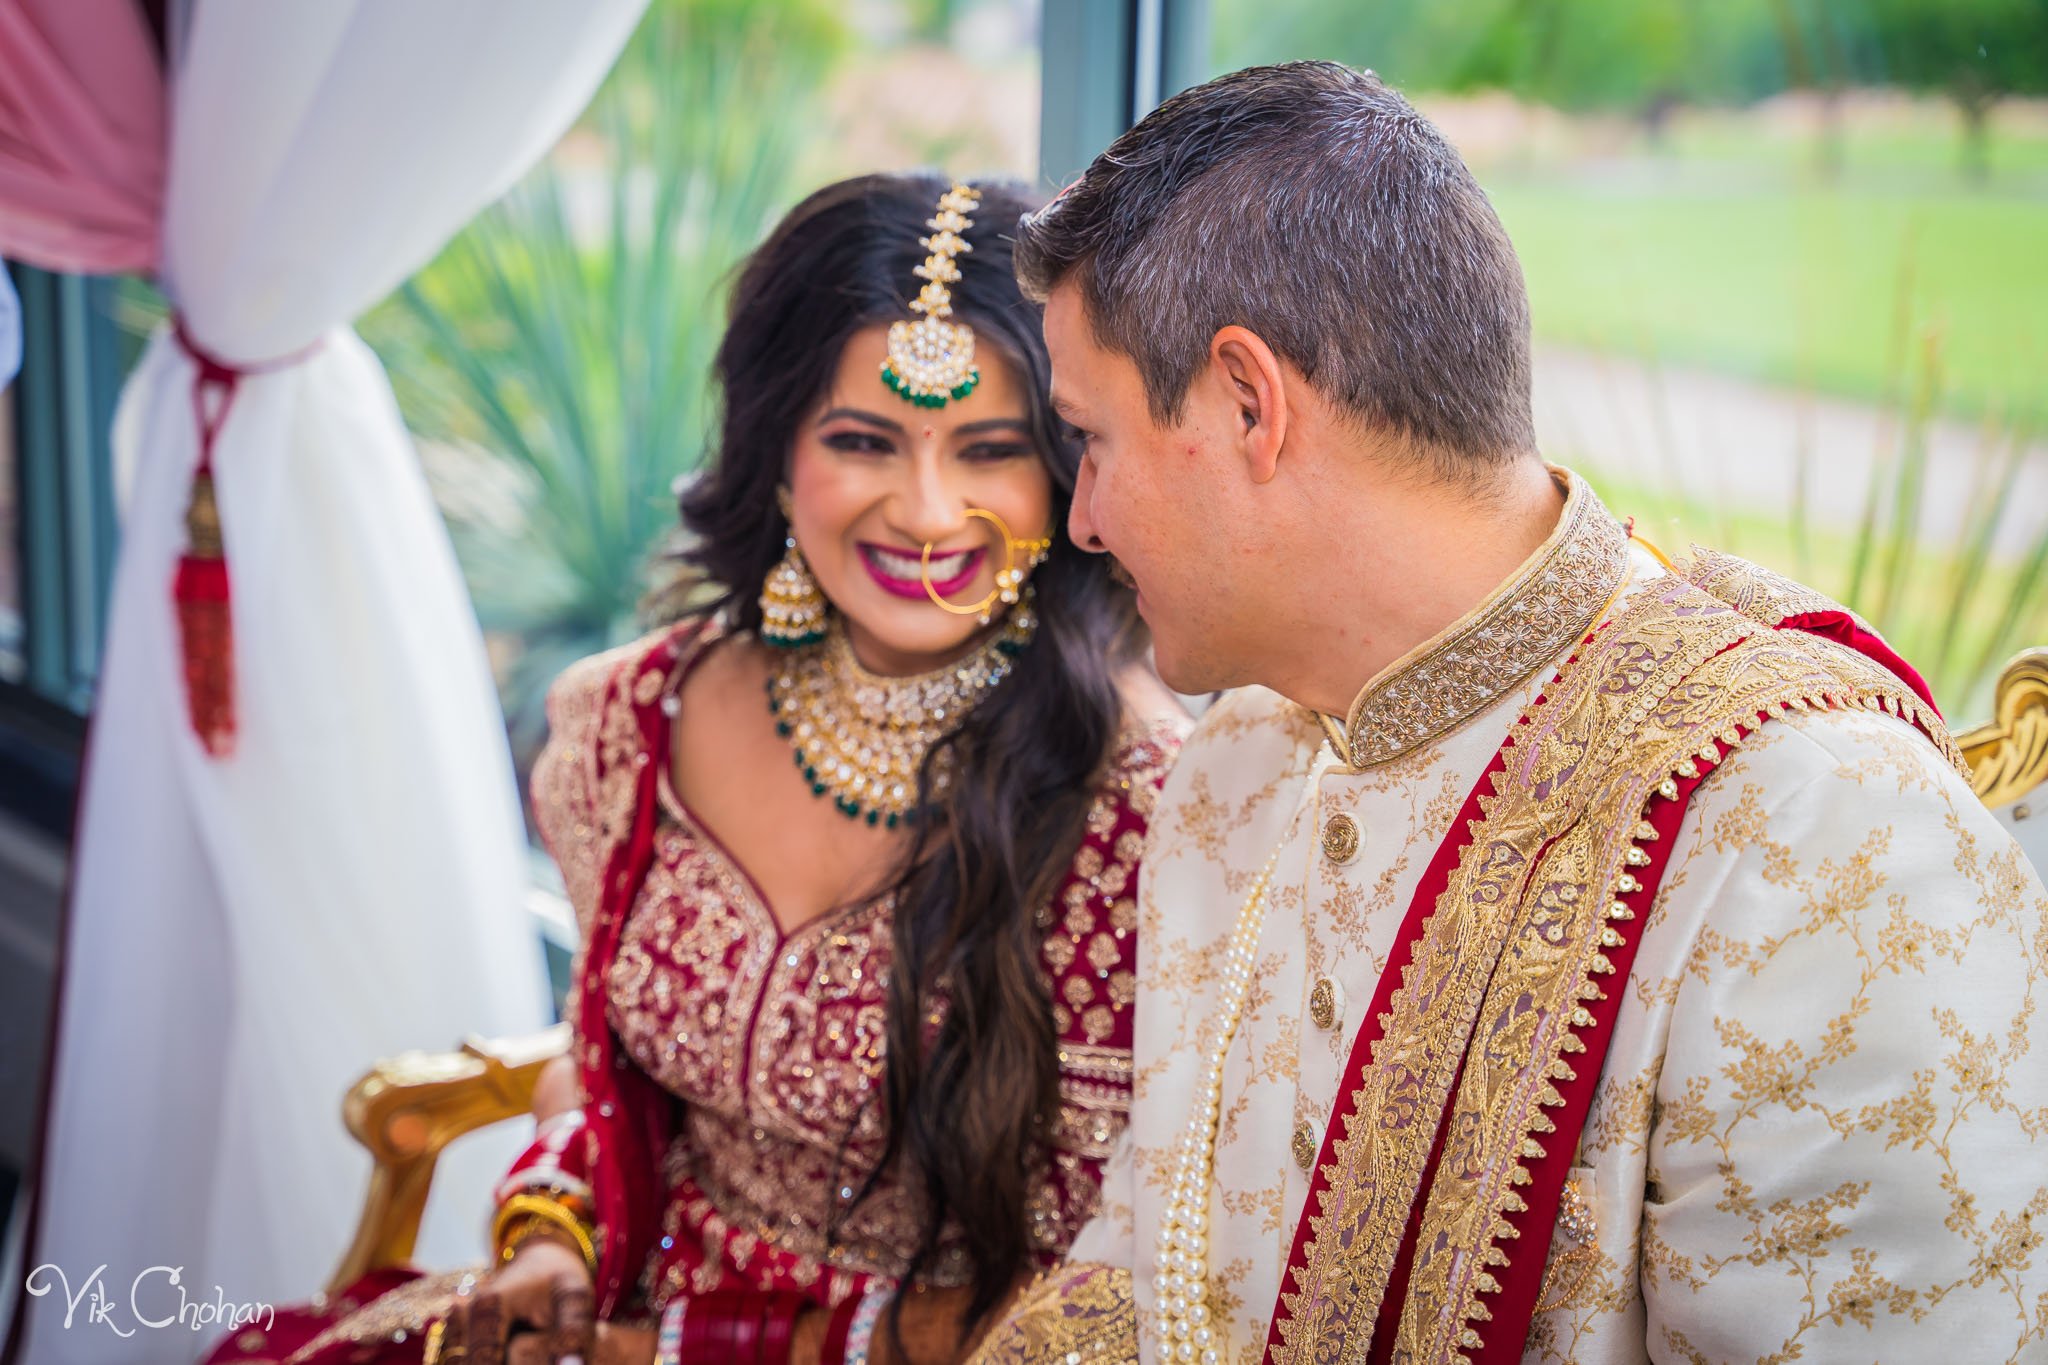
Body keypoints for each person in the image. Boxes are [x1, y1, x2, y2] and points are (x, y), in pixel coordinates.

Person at [968, 62, 2048, 1365]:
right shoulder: (1237, 767)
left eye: (1096, 442)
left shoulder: (1818, 839)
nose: (1080, 518)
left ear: (1251, 405)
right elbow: (1146, 1276)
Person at [203, 171, 1186, 1365]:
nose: (928, 512)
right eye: (862, 440)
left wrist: (669, 1350)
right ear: (776, 450)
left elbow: (1087, 1290)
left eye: (988, 451)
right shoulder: (629, 722)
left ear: (1062, 472)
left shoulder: (1138, 810)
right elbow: (611, 1081)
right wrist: (549, 1241)